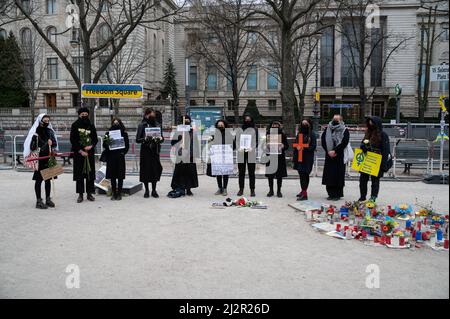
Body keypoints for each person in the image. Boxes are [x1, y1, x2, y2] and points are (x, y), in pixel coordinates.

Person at [23, 114, 58, 209]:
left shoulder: (50, 131)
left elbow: (54, 143)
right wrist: (35, 139)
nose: (46, 123)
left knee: (48, 179)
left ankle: (48, 199)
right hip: (39, 158)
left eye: (48, 121)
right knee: (39, 180)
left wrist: (52, 145)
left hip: (49, 157)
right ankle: (38, 200)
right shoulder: (35, 131)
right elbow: (32, 147)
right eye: (44, 121)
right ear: (40, 121)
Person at [358, 116, 392, 202]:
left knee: (375, 181)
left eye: (372, 122)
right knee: (363, 180)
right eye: (369, 122)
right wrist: (363, 146)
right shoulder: (368, 133)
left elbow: (386, 150)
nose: (370, 124)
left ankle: (373, 198)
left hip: (377, 161)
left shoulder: (383, 135)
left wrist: (383, 165)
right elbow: (363, 143)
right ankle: (362, 196)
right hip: (366, 160)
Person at [70, 107, 98, 203]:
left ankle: (89, 193)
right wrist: (81, 151)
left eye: (86, 114)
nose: (85, 116)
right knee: (80, 174)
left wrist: (91, 146)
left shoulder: (91, 125)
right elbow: (73, 140)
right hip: (79, 154)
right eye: (83, 114)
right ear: (79, 115)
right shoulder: (75, 125)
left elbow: (95, 139)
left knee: (90, 174)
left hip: (89, 153)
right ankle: (80, 194)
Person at [168, 115, 199, 197]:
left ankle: (189, 188)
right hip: (181, 154)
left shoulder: (193, 131)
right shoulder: (179, 131)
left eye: (188, 120)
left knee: (190, 172)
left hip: (190, 155)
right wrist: (179, 140)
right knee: (181, 172)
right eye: (185, 120)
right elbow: (172, 143)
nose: (187, 121)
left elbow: (196, 143)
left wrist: (196, 154)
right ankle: (181, 187)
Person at [136, 108, 164, 198]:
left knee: (155, 170)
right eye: (152, 114)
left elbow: (162, 138)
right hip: (145, 151)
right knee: (145, 171)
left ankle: (154, 190)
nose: (153, 116)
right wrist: (144, 139)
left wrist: (160, 139)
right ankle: (147, 190)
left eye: (154, 114)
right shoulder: (142, 125)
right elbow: (137, 139)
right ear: (147, 115)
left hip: (154, 151)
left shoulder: (157, 125)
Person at [321, 114, 350, 201]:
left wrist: (335, 151)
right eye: (334, 119)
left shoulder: (345, 130)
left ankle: (337, 194)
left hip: (339, 155)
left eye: (337, 119)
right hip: (329, 155)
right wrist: (328, 151)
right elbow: (323, 140)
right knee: (329, 175)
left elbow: (345, 142)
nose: (335, 121)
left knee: (338, 175)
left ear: (341, 120)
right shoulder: (327, 129)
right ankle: (330, 193)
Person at [103, 117, 129, 200]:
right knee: (112, 176)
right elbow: (104, 145)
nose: (116, 124)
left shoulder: (124, 134)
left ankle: (119, 193)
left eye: (117, 123)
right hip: (111, 156)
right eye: (114, 123)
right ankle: (114, 193)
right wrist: (108, 143)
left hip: (120, 156)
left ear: (120, 123)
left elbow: (127, 146)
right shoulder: (108, 133)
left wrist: (123, 153)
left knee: (120, 176)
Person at [206, 119, 234, 196]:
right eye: (218, 125)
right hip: (217, 156)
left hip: (226, 156)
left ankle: (225, 188)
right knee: (218, 172)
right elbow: (210, 146)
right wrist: (209, 141)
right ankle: (220, 188)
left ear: (225, 125)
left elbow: (233, 145)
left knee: (225, 173)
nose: (220, 126)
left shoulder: (228, 134)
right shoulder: (214, 134)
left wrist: (229, 148)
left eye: (221, 125)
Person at [264, 121, 289, 198]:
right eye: (273, 125)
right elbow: (265, 145)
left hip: (279, 157)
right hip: (270, 156)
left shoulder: (282, 134)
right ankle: (271, 190)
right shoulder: (268, 133)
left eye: (276, 125)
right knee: (270, 175)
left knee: (279, 175)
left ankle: (279, 191)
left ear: (279, 126)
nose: (275, 126)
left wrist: (283, 146)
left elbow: (287, 146)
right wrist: (267, 146)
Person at [293, 118, 317, 201]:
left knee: (305, 175)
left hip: (307, 158)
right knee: (301, 175)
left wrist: (303, 148)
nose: (304, 126)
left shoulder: (312, 134)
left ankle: (305, 194)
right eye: (302, 124)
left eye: (306, 124)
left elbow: (313, 146)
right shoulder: (299, 133)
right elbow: (295, 143)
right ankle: (303, 191)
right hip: (299, 157)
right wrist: (296, 147)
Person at [236, 114, 259, 197]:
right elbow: (237, 140)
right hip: (241, 152)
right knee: (241, 172)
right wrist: (238, 148)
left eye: (249, 119)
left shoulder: (255, 129)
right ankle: (241, 189)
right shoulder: (240, 129)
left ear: (251, 120)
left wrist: (252, 148)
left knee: (251, 172)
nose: (247, 120)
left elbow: (256, 140)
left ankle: (252, 190)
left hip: (251, 152)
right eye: (246, 119)